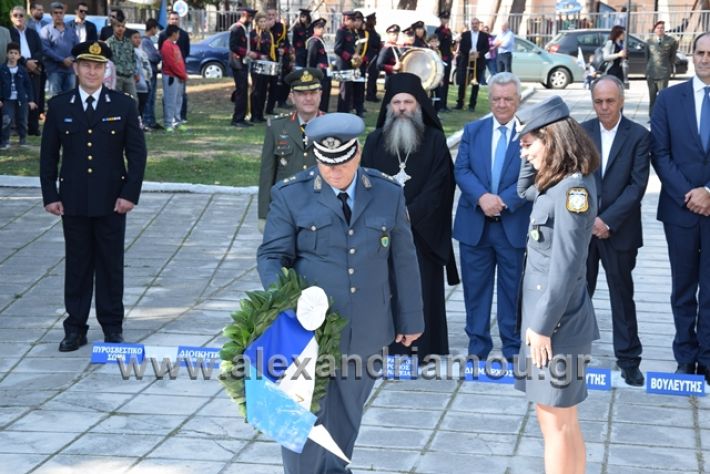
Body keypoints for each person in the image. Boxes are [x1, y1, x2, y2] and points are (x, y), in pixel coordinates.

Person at [257, 112, 424, 474]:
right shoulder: (291, 195)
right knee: (303, 415)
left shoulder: (387, 193)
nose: (334, 171)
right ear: (316, 157)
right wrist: (287, 300)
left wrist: (411, 318)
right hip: (305, 332)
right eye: (325, 163)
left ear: (358, 153)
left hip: (366, 327)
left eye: (342, 162)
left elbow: (404, 260)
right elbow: (271, 256)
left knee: (347, 416)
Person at [39, 40, 147, 352]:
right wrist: (50, 195)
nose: (91, 70)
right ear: (76, 67)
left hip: (112, 201)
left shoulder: (123, 105)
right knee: (78, 265)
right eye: (86, 64)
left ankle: (112, 326)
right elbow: (49, 157)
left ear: (106, 69)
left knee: (111, 266)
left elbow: (137, 155)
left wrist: (130, 195)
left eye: (98, 66)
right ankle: (75, 328)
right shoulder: (60, 106)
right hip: (71, 201)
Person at [514, 95, 600, 474]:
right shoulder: (557, 184)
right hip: (549, 323)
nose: (525, 153)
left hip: (555, 326)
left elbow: (566, 267)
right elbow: (523, 193)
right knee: (561, 421)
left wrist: (543, 327)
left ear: (551, 139)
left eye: (529, 144)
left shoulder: (572, 191)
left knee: (557, 424)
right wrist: (527, 154)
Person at [361, 71, 458, 359]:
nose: (402, 108)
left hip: (422, 235)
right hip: (384, 234)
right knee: (384, 292)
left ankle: (424, 349)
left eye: (408, 102)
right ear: (388, 107)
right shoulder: (375, 141)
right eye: (396, 102)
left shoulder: (436, 141)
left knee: (422, 291)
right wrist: (387, 220)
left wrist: (405, 216)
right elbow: (365, 182)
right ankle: (386, 348)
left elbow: (440, 186)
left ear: (419, 105)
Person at [454, 72, 531, 361]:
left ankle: (511, 346)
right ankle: (477, 346)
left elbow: (533, 173)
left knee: (512, 290)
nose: (501, 104)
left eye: (508, 99)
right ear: (489, 98)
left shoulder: (530, 133)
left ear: (518, 100)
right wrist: (482, 198)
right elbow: (461, 170)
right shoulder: (474, 131)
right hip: (475, 224)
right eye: (496, 98)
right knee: (475, 290)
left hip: (513, 224)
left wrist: (504, 201)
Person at [581, 75, 650, 386]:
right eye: (599, 101)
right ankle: (573, 353)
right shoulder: (581, 132)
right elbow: (573, 180)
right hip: (583, 230)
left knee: (622, 296)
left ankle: (629, 359)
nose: (604, 107)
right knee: (578, 294)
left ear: (621, 101)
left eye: (610, 101)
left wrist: (606, 221)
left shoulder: (638, 136)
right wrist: (589, 219)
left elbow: (637, 187)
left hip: (619, 231)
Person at [650, 32, 710, 384]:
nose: (705, 58)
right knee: (683, 288)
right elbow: (660, 152)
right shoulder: (670, 99)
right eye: (700, 52)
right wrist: (692, 193)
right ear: (692, 56)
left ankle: (708, 356)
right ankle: (685, 357)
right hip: (680, 210)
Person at [258, 67, 324, 228]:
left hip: (323, 208)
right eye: (302, 94)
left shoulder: (332, 127)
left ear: (320, 95)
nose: (308, 98)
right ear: (292, 97)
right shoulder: (276, 127)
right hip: (286, 208)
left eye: (313, 92)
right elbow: (267, 173)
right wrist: (263, 215)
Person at [9, 6, 43, 136]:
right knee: (18, 99)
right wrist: (25, 62)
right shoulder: (9, 33)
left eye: (21, 15)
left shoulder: (33, 33)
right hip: (17, 68)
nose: (19, 18)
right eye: (16, 15)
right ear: (11, 18)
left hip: (34, 68)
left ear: (26, 18)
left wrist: (34, 63)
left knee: (34, 98)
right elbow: (11, 51)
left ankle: (33, 128)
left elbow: (40, 50)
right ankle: (17, 127)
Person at [0, 42, 37, 149]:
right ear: (7, 54)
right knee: (6, 119)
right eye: (11, 53)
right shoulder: (2, 69)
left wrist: (31, 100)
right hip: (7, 99)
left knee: (22, 120)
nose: (13, 55)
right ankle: (5, 141)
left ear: (19, 56)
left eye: (16, 53)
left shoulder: (22, 70)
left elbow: (28, 86)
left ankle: (23, 140)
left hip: (22, 99)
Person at [40, 2, 79, 97]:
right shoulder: (46, 30)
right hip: (54, 70)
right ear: (51, 14)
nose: (58, 15)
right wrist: (62, 60)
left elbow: (77, 48)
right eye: (55, 13)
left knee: (70, 99)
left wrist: (72, 59)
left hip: (70, 70)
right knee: (55, 99)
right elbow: (45, 49)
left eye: (60, 13)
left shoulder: (71, 30)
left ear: (63, 14)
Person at [159, 12, 190, 122]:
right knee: (170, 98)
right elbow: (169, 60)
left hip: (180, 72)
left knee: (179, 98)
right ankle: (169, 120)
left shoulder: (181, 37)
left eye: (176, 19)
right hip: (171, 74)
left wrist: (182, 73)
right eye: (172, 18)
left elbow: (184, 54)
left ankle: (178, 118)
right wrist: (181, 73)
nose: (174, 20)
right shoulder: (165, 39)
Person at [229, 8, 256, 128]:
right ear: (244, 15)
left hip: (243, 63)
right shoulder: (236, 28)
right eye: (250, 18)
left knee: (244, 90)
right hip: (237, 63)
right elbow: (233, 46)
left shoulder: (244, 29)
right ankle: (237, 119)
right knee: (241, 91)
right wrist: (247, 53)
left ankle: (241, 117)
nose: (251, 20)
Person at [455, 17, 489, 111]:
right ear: (471, 24)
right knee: (462, 82)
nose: (474, 25)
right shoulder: (465, 34)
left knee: (475, 84)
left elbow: (486, 48)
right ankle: (460, 103)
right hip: (466, 60)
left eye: (476, 23)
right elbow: (461, 47)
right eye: (473, 23)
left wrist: (479, 54)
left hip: (478, 61)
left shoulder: (484, 35)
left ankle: (472, 105)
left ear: (479, 24)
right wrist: (469, 52)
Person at [645, 21, 678, 116]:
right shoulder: (649, 41)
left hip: (663, 73)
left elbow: (672, 57)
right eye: (658, 28)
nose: (660, 29)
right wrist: (647, 70)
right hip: (651, 72)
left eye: (662, 28)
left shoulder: (671, 41)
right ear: (655, 29)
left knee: (662, 97)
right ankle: (651, 116)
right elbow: (647, 57)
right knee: (652, 97)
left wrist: (668, 68)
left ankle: (661, 116)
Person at [249, 12, 276, 124]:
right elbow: (251, 50)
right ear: (257, 22)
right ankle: (254, 115)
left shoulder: (268, 34)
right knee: (256, 90)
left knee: (264, 90)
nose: (263, 23)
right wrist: (260, 56)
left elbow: (270, 50)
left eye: (265, 21)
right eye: (261, 21)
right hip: (257, 65)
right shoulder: (253, 34)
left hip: (267, 65)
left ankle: (260, 114)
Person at [334, 11, 359, 114]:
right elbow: (337, 49)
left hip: (350, 65)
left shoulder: (352, 32)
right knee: (344, 90)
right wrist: (350, 56)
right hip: (343, 65)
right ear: (347, 20)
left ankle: (346, 110)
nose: (354, 23)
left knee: (349, 89)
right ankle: (341, 111)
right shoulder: (341, 31)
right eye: (352, 21)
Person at [107, 20, 137, 100]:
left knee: (134, 100)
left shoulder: (128, 42)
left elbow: (133, 57)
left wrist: (133, 70)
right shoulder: (109, 43)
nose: (120, 28)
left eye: (123, 26)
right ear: (114, 27)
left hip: (128, 76)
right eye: (118, 26)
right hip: (116, 77)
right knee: (116, 100)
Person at [306, 18, 331, 112]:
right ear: (315, 29)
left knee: (325, 94)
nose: (322, 30)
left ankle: (323, 112)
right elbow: (310, 60)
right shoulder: (313, 42)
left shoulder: (321, 41)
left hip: (325, 72)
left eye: (323, 28)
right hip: (317, 73)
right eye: (320, 28)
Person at [141, 19, 162, 130]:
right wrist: (158, 54)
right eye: (156, 28)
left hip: (152, 72)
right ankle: (147, 121)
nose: (157, 31)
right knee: (149, 98)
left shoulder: (148, 41)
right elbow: (154, 57)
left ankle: (152, 120)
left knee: (152, 98)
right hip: (148, 74)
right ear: (153, 28)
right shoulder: (145, 41)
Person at [131, 29, 151, 124]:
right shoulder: (131, 52)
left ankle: (140, 122)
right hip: (138, 83)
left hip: (145, 82)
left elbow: (147, 65)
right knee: (137, 105)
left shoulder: (141, 51)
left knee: (143, 105)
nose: (138, 40)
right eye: (135, 37)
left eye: (139, 38)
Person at [434, 12, 453, 112]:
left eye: (447, 18)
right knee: (441, 82)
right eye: (443, 18)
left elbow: (449, 43)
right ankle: (440, 104)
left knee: (446, 82)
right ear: (440, 19)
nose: (445, 20)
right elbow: (438, 42)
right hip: (441, 57)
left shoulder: (449, 31)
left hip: (448, 57)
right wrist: (443, 33)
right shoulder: (439, 30)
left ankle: (444, 104)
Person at [364, 12, 381, 103]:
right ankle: (370, 95)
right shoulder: (367, 32)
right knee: (371, 77)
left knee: (374, 76)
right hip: (370, 57)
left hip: (375, 55)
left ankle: (373, 93)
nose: (375, 21)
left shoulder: (373, 31)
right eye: (374, 20)